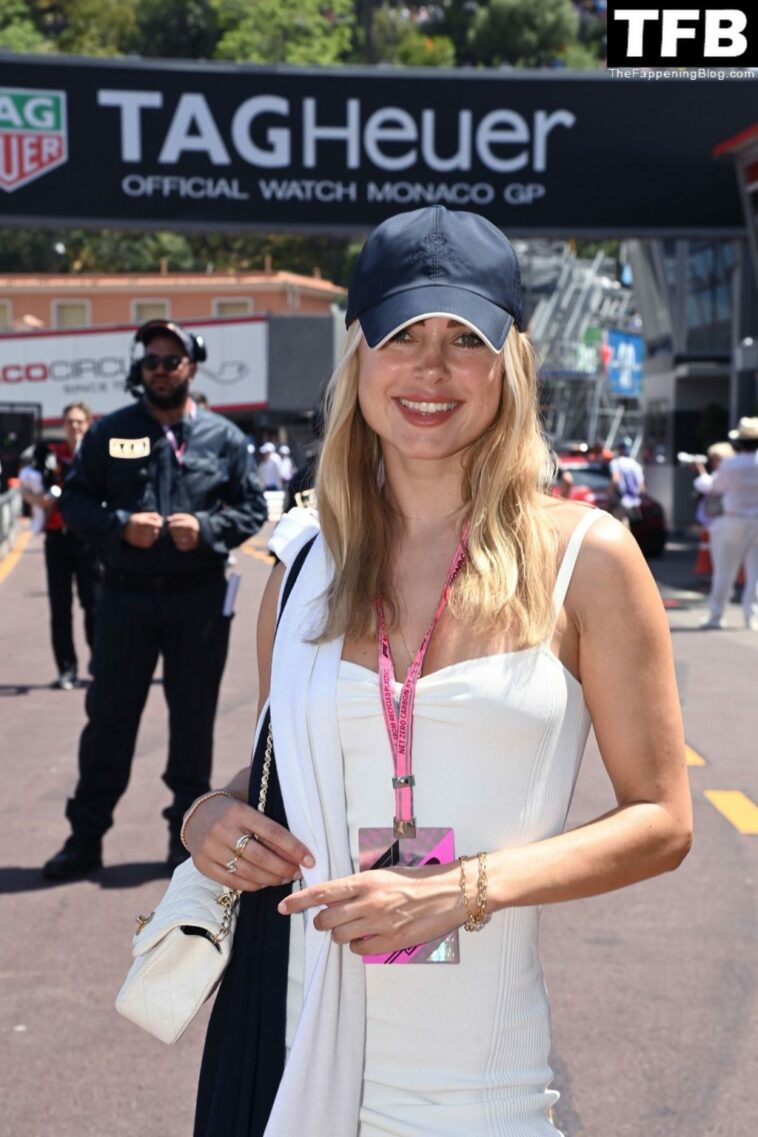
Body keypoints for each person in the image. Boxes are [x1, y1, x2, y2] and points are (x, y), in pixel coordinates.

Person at [183, 207, 692, 1137]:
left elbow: (662, 820)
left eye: (466, 338)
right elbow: (275, 773)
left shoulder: (590, 558)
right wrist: (209, 812)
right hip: (294, 1055)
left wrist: (462, 888)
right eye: (402, 335)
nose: (430, 369)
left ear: (511, 363)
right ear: (359, 358)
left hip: (482, 1091)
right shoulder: (303, 568)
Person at [41, 319, 268, 881]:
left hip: (198, 603)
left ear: (192, 366)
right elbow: (75, 502)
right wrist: (119, 525)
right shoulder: (110, 432)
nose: (160, 371)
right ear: (139, 369)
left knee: (192, 723)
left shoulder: (224, 438)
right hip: (124, 601)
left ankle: (185, 840)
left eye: (171, 361)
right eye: (151, 362)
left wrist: (210, 528)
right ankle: (85, 838)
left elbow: (253, 508)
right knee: (109, 721)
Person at [19, 403, 98, 689]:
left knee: (95, 604)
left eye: (79, 422)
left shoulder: (95, 453)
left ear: (88, 424)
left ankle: (99, 664)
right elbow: (26, 487)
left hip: (89, 540)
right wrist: (35, 500)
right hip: (57, 539)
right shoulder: (50, 455)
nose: (74, 427)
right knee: (59, 607)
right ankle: (67, 669)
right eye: (69, 422)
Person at [700, 417, 758, 631]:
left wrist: (701, 475)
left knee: (724, 572)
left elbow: (714, 487)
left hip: (732, 520)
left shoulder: (730, 464)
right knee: (756, 574)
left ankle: (716, 616)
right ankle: (752, 618)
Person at [608, 438, 644, 526]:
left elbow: (615, 481)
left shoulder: (616, 462)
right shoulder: (636, 464)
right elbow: (642, 488)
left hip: (621, 502)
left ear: (619, 449)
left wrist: (608, 494)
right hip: (635, 503)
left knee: (615, 528)